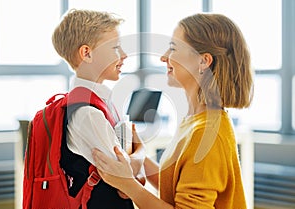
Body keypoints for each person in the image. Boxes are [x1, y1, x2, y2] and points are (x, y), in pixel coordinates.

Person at [92, 13, 254, 209]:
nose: (163, 57)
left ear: (203, 61)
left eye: (173, 48)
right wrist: (139, 154)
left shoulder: (208, 134)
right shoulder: (196, 121)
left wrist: (128, 185)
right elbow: (177, 185)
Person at [52, 9, 145, 209]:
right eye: (115, 48)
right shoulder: (87, 113)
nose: (124, 55)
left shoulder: (102, 102)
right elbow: (125, 182)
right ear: (87, 53)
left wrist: (134, 166)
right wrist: (141, 153)